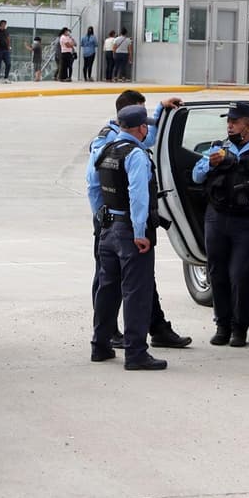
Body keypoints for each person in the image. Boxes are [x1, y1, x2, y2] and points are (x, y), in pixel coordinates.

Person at [88, 91, 190, 353]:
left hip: (109, 227)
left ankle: (100, 346)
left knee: (108, 289)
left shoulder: (106, 149)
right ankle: (136, 353)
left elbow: (94, 187)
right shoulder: (135, 154)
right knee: (136, 291)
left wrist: (102, 218)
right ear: (141, 126)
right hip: (128, 230)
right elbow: (138, 196)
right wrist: (139, 230)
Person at [192, 103, 249, 348]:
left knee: (239, 275)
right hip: (216, 218)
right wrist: (211, 163)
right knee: (217, 272)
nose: (229, 125)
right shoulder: (218, 147)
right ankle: (222, 325)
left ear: (248, 126)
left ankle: (240, 328)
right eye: (228, 121)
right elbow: (196, 176)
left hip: (244, 220)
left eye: (234, 121)